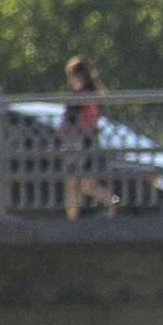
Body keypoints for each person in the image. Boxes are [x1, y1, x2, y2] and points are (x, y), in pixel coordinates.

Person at [55, 54, 114, 218]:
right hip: (74, 144)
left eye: (72, 77)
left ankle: (112, 204)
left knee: (80, 184)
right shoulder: (76, 97)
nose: (70, 81)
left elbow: (90, 122)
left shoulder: (88, 97)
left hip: (82, 144)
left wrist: (73, 129)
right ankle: (74, 220)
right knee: (79, 184)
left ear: (81, 76)